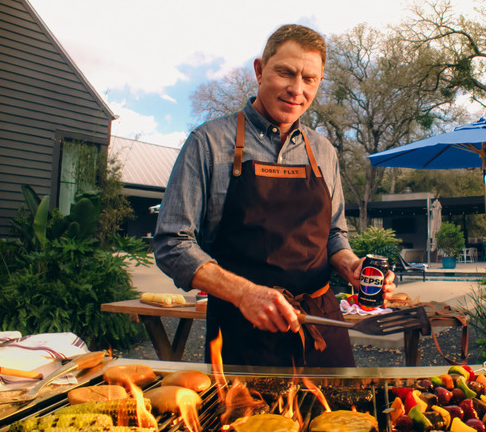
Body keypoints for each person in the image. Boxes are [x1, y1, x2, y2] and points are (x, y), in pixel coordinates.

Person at [153, 24, 395, 368]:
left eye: (309, 79)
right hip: (241, 331)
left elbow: (334, 235)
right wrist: (244, 293)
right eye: (286, 73)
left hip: (321, 327)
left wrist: (351, 265)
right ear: (259, 70)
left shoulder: (323, 151)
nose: (297, 89)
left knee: (342, 420)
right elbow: (171, 244)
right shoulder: (208, 143)